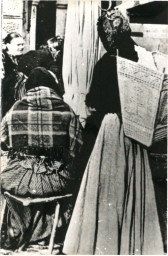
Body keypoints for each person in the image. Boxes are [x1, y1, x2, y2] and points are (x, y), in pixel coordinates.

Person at [1, 67, 83, 249]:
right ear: (52, 87)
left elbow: (3, 142)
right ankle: (48, 232)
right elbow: (76, 149)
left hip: (18, 181)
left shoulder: (14, 109)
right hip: (55, 182)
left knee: (7, 182)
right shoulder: (67, 111)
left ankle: (18, 230)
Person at [2, 32, 26, 117]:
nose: (21, 47)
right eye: (18, 45)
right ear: (8, 45)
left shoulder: (21, 59)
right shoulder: (3, 60)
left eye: (22, 44)